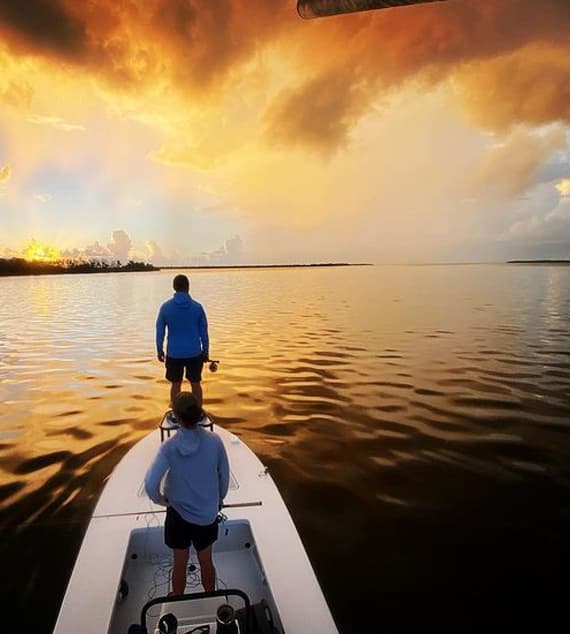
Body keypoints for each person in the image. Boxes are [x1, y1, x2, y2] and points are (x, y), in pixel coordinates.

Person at [144, 392, 230, 595]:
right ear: (200, 414)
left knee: (179, 562)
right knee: (206, 560)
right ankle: (210, 595)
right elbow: (224, 477)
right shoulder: (215, 441)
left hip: (178, 516)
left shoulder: (168, 447)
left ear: (176, 417)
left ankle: (177, 598)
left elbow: (150, 484)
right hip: (207, 516)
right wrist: (219, 500)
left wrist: (161, 500)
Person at [156, 274, 210, 409]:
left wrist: (159, 350)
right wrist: (205, 352)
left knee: (175, 384)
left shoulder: (165, 307)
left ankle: (176, 412)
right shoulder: (197, 307)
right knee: (196, 383)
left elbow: (159, 331)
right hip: (194, 353)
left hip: (174, 353)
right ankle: (198, 412)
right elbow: (204, 332)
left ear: (174, 287)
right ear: (188, 287)